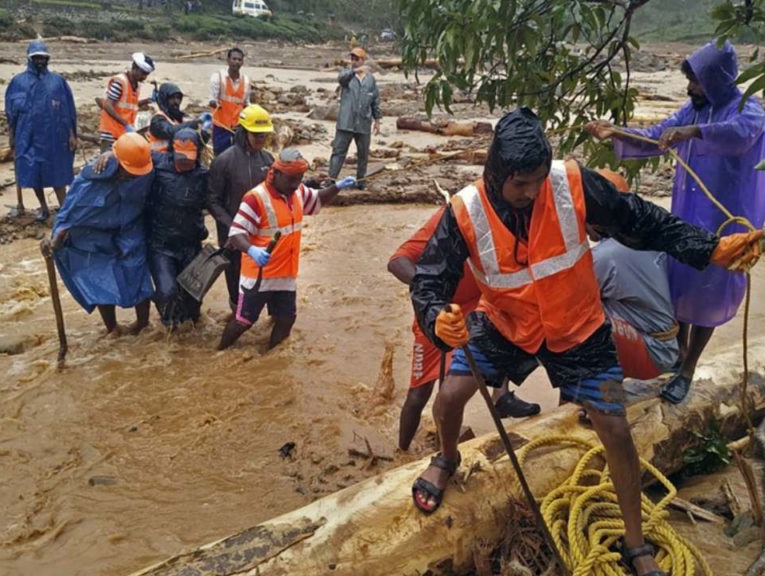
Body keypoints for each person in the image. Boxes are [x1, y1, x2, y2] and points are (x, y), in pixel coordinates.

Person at [410, 108, 762, 576]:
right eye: (521, 185)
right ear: (496, 175)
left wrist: (709, 249)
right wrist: (438, 319)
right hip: (504, 322)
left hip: (578, 328)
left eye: (537, 180)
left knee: (614, 425)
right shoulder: (464, 210)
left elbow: (644, 220)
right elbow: (429, 280)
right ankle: (446, 457)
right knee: (451, 393)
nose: (532, 193)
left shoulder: (572, 183)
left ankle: (636, 546)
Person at [584, 40, 765, 404]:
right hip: (688, 210)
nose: (691, 89)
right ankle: (678, 357)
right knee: (681, 284)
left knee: (710, 291)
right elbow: (659, 135)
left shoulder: (747, 109)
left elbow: (738, 134)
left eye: (697, 82)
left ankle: (688, 369)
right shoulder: (693, 109)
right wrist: (616, 132)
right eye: (690, 82)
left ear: (717, 80)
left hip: (726, 218)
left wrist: (695, 133)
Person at [388, 206, 541, 452]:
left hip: (477, 306)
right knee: (419, 394)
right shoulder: (447, 221)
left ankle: (500, 396)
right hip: (439, 313)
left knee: (501, 333)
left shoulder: (509, 222)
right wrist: (430, 291)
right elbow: (396, 262)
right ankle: (401, 451)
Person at [218, 150, 357, 351]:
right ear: (276, 174)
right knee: (244, 321)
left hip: (286, 274)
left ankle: (271, 359)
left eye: (299, 179)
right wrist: (252, 250)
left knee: (286, 319)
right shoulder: (255, 198)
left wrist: (336, 188)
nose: (296, 184)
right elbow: (236, 234)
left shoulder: (297, 192)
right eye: (292, 179)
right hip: (259, 275)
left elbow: (316, 200)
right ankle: (220, 351)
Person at [45, 133, 155, 335]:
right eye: (129, 172)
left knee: (136, 271)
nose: (133, 176)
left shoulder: (146, 165)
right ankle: (112, 328)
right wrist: (58, 237)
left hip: (130, 226)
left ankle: (142, 324)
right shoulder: (93, 175)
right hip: (94, 232)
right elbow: (71, 210)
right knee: (99, 276)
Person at [590, 169, 679, 380]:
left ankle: (588, 397)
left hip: (652, 352)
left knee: (575, 318)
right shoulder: (650, 233)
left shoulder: (606, 256)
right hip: (669, 345)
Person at [205, 104, 275, 312]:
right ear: (243, 133)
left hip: (261, 234)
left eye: (264, 136)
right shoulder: (223, 161)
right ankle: (237, 317)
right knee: (236, 282)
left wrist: (313, 184)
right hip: (232, 237)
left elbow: (279, 191)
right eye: (256, 136)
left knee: (266, 279)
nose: (261, 140)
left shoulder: (268, 160)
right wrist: (232, 229)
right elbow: (213, 201)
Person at [5, 40, 77, 221]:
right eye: (36, 57)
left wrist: (71, 134)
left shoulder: (58, 82)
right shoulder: (18, 82)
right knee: (33, 172)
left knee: (58, 173)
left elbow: (68, 109)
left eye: (43, 58)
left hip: (54, 135)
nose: (40, 61)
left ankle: (65, 211)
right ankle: (43, 207)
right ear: (30, 58)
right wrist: (12, 136)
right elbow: (11, 113)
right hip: (27, 136)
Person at [145, 127, 210, 328]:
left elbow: (217, 200)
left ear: (198, 154)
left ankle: (190, 339)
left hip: (190, 243)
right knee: (167, 292)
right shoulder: (157, 163)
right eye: (181, 157)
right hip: (161, 245)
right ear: (172, 152)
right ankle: (168, 331)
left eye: (189, 158)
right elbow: (130, 150)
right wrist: (108, 155)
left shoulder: (204, 175)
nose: (185, 162)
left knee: (193, 299)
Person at [328, 47, 381, 189]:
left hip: (363, 123)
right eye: (352, 58)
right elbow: (341, 79)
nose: (354, 61)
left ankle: (361, 181)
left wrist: (377, 120)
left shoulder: (371, 80)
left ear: (363, 60)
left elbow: (375, 100)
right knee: (338, 152)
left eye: (357, 59)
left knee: (363, 155)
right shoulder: (346, 75)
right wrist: (353, 71)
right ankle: (331, 179)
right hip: (346, 123)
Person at [98, 52, 155, 150]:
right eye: (143, 73)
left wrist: (147, 101)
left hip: (124, 133)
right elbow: (108, 105)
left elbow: (129, 105)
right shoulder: (120, 82)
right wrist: (125, 124)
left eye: (146, 74)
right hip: (111, 133)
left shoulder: (135, 86)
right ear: (135, 68)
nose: (144, 77)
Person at [209, 47, 251, 158]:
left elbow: (246, 103)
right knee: (220, 156)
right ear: (228, 60)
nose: (236, 62)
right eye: (234, 59)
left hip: (238, 127)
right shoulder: (218, 77)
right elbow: (212, 98)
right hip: (221, 126)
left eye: (239, 60)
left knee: (238, 157)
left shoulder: (246, 81)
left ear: (242, 62)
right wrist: (213, 102)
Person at [147, 82, 209, 152]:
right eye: (172, 98)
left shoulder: (176, 118)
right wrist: (194, 124)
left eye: (178, 98)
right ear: (164, 99)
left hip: (174, 158)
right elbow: (170, 131)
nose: (176, 101)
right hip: (158, 159)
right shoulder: (157, 120)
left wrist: (204, 134)